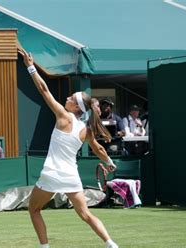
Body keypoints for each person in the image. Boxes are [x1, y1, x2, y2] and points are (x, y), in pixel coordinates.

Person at [18, 48, 119, 248]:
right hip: (71, 176)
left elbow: (44, 90)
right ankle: (110, 244)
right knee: (86, 215)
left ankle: (44, 247)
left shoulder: (64, 116)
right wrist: (109, 162)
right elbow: (99, 149)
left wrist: (30, 67)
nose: (67, 99)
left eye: (72, 99)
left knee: (34, 209)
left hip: (53, 173)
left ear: (76, 108)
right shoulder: (86, 129)